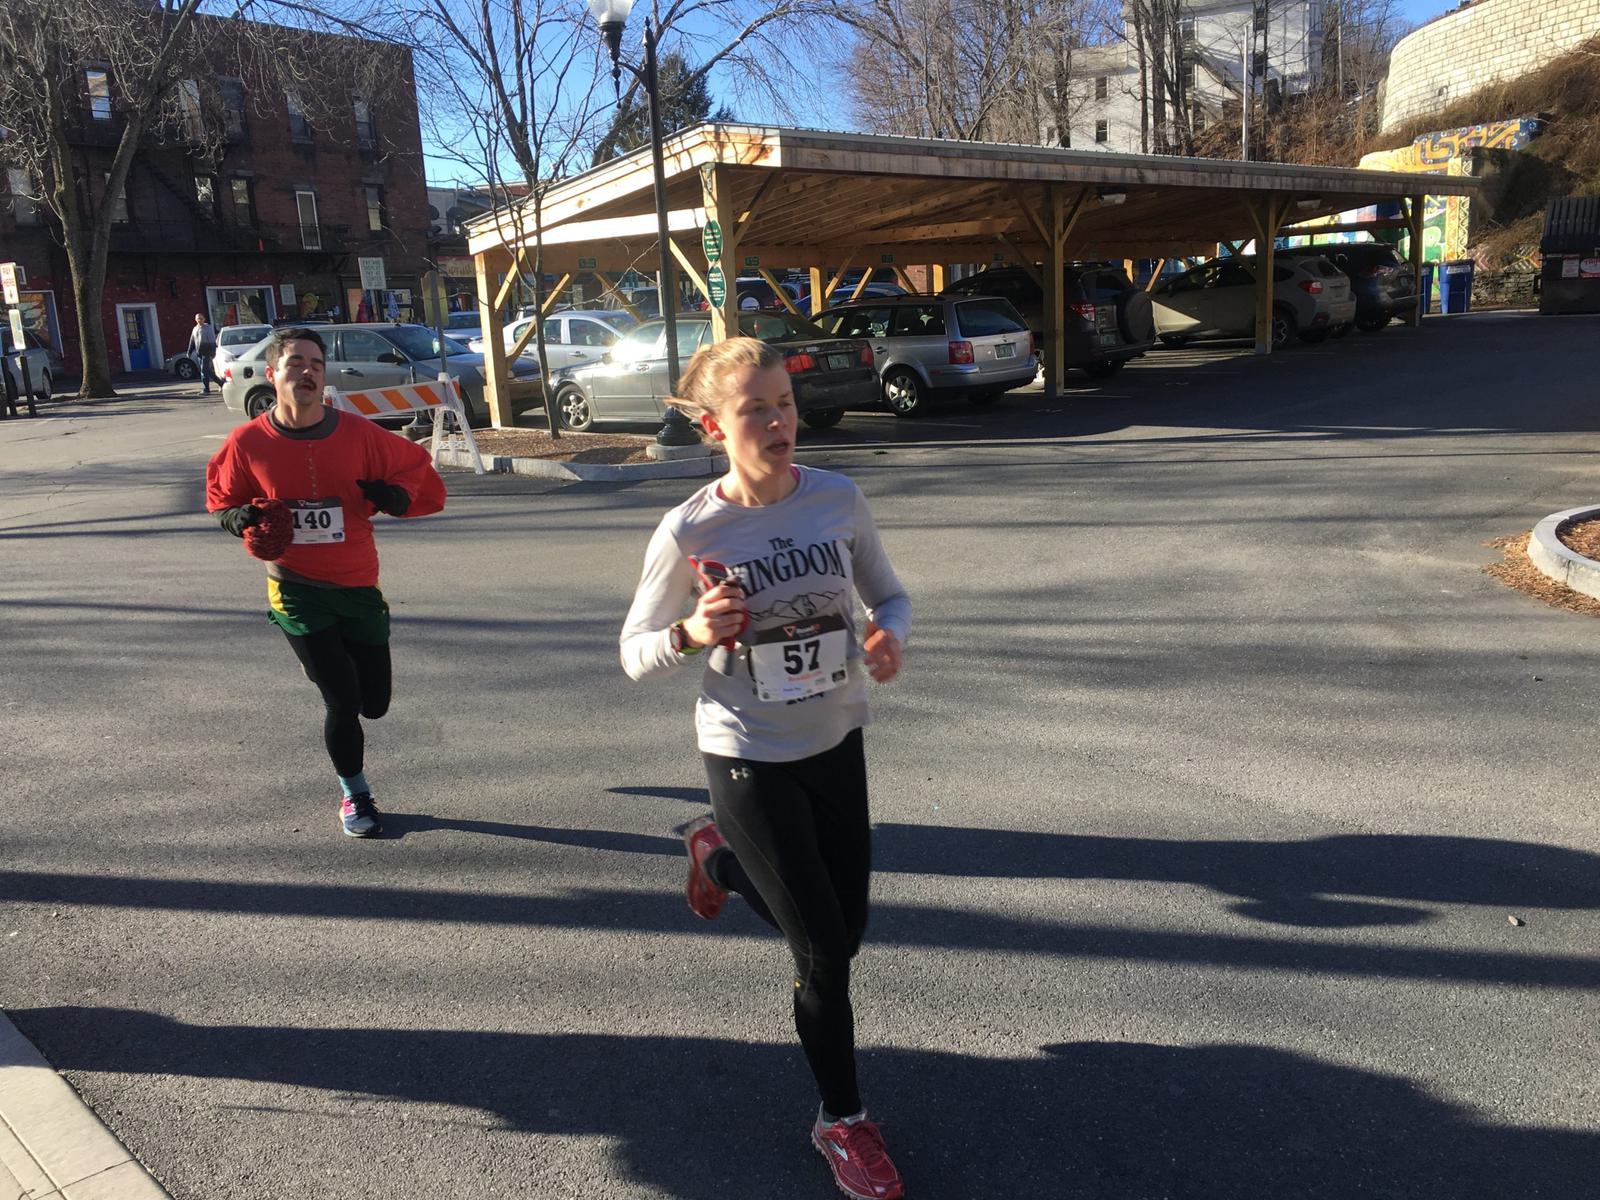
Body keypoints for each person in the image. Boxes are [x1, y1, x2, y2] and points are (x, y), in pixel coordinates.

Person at [620, 337, 911, 1200]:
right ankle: (842, 1120)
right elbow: (634, 651)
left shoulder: (837, 498)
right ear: (715, 427)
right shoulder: (691, 529)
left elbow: (887, 593)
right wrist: (690, 635)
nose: (780, 421)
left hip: (836, 741)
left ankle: (719, 856)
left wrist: (888, 633)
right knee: (824, 953)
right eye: (756, 409)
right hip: (746, 751)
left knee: (847, 932)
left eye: (784, 403)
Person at [205, 328, 446, 837]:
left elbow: (416, 469)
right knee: (340, 699)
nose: (308, 372)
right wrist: (239, 518)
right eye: (295, 363)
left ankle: (329, 665)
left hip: (358, 585)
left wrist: (396, 496)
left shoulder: (358, 435)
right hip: (294, 588)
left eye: (315, 363)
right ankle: (356, 795)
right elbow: (221, 499)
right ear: (273, 375)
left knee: (373, 703)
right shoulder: (247, 442)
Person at [189, 313, 218, 395]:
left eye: (201, 318)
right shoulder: (195, 329)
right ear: (195, 320)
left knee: (203, 370)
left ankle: (206, 389)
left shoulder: (208, 328)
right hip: (199, 352)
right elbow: (192, 340)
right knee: (207, 371)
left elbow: (212, 341)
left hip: (207, 352)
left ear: (204, 319)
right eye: (198, 319)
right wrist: (189, 351)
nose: (199, 320)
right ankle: (221, 383)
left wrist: (213, 352)